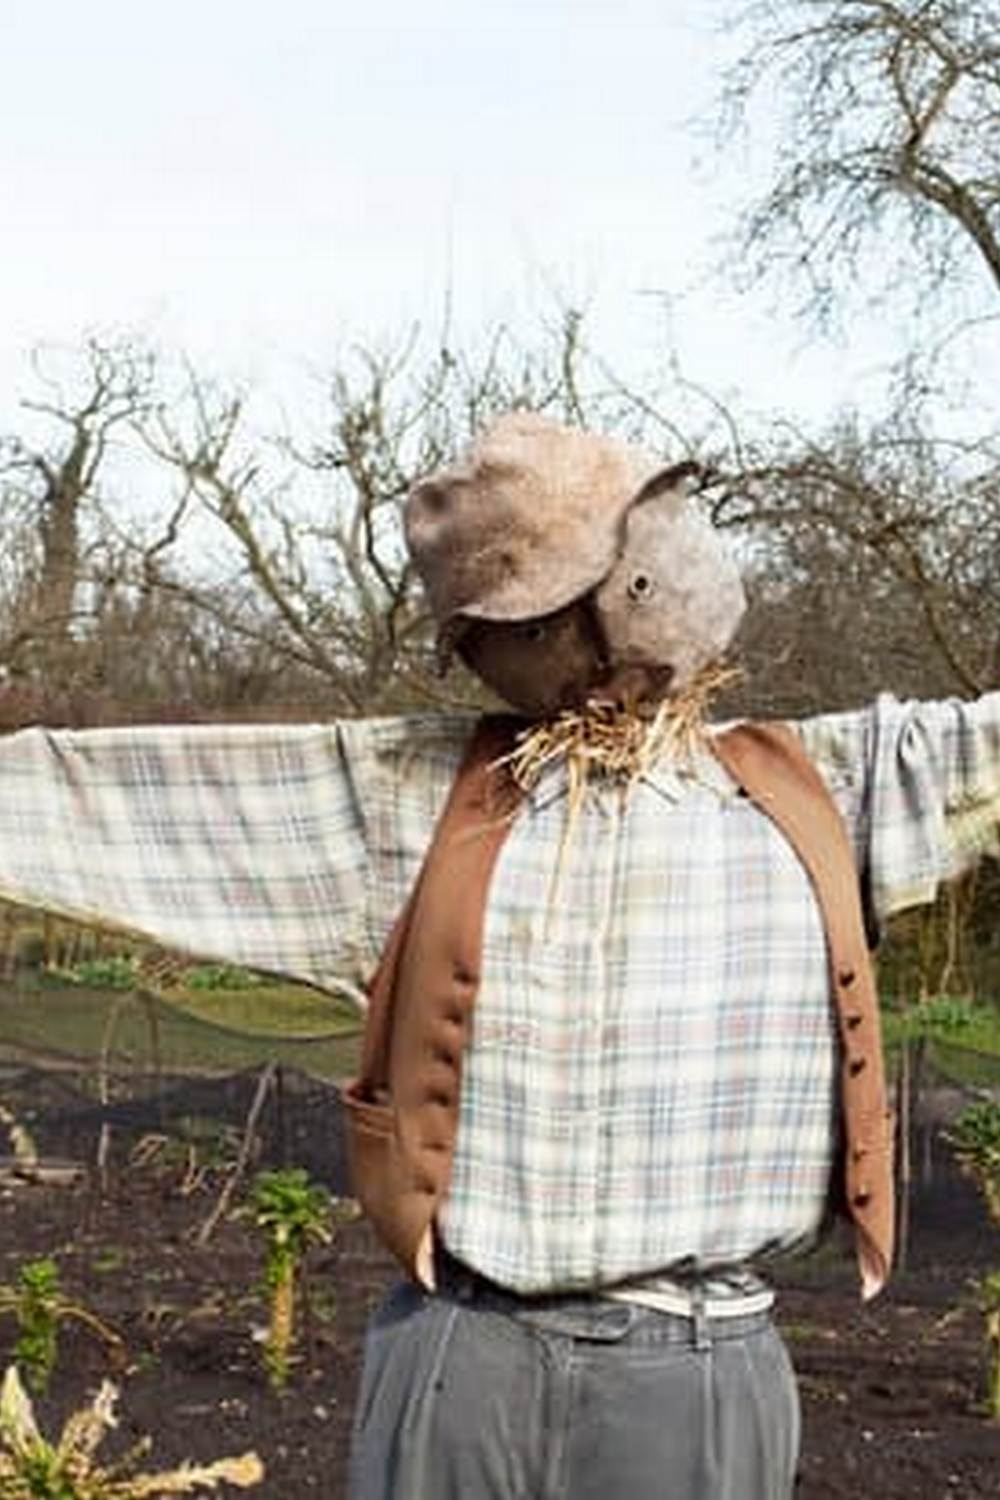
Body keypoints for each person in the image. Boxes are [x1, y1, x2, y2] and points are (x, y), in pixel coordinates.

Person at [0, 412, 996, 1499]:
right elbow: (101, 799)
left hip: (700, 1364)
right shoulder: (413, 800)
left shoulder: (829, 787)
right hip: (462, 1352)